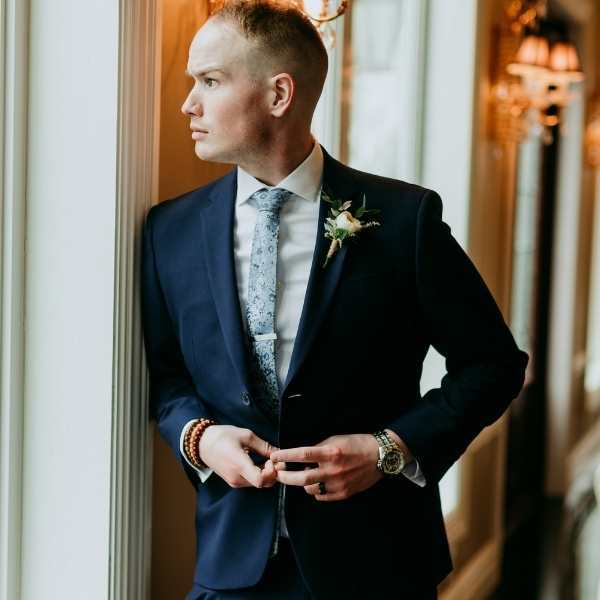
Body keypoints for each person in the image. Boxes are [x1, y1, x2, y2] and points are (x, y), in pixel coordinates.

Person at [140, 1, 529, 598]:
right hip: (229, 569)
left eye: (210, 81)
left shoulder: (405, 221)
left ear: (279, 94)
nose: (187, 104)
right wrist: (201, 438)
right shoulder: (170, 231)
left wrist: (388, 450)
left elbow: (493, 366)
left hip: (378, 566)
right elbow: (167, 378)